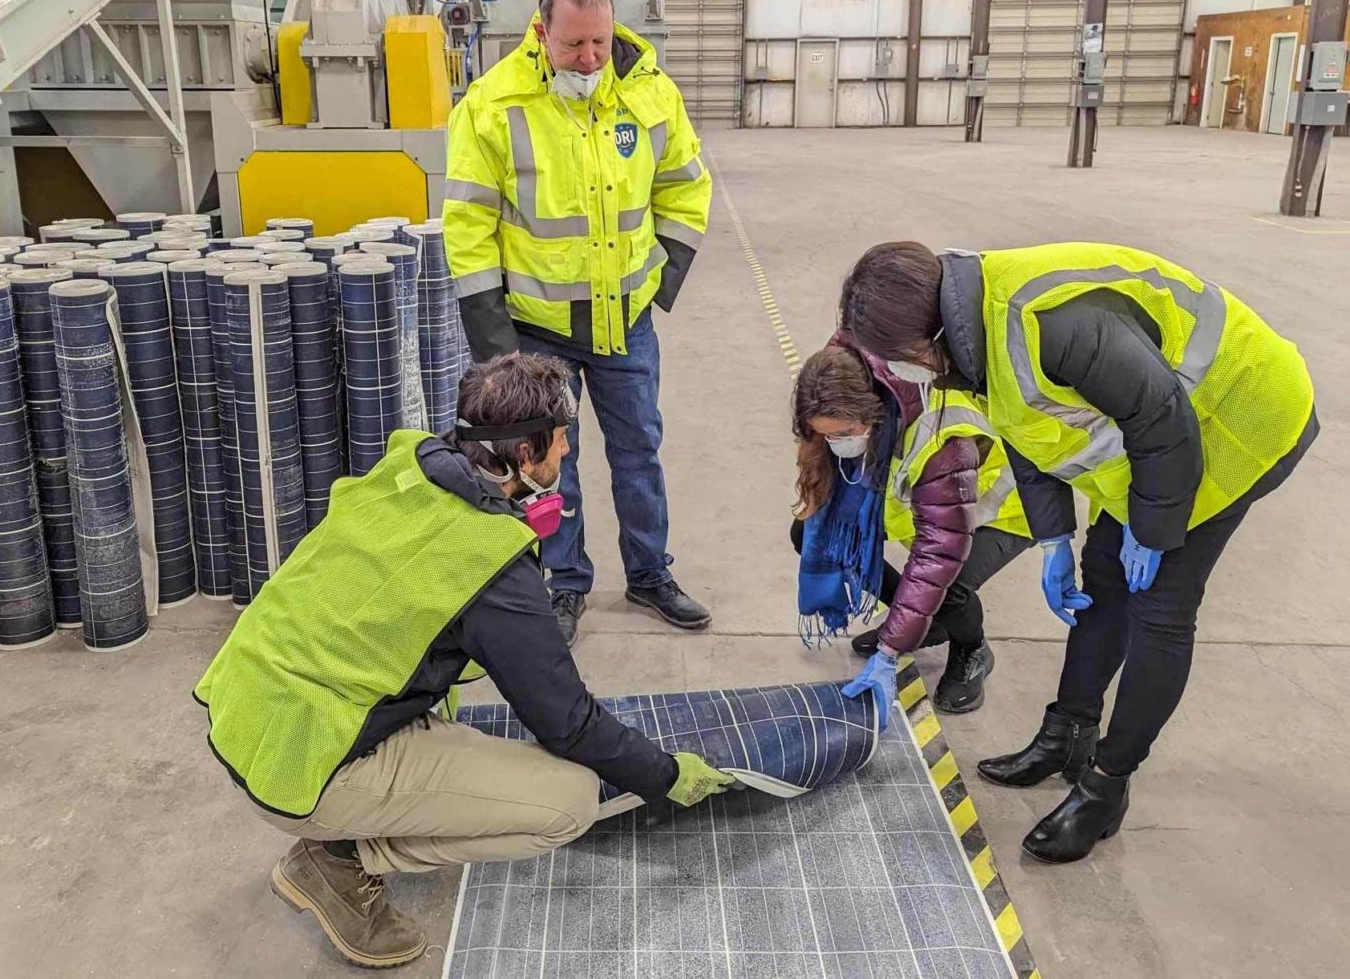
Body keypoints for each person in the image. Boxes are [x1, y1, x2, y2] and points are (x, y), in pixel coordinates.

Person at [192, 354, 733, 968]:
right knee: (570, 801)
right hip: (308, 763)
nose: (564, 455)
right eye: (560, 441)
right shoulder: (491, 562)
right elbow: (567, 720)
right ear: (525, 455)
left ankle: (348, 820)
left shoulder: (413, 462)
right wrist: (663, 776)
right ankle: (336, 858)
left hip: (251, 712)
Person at [840, 240, 1317, 863]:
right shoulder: (973, 333)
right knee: (1102, 579)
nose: (900, 373)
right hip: (1163, 441)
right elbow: (1028, 430)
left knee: (1160, 609)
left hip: (1238, 418)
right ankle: (1068, 734)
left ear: (922, 333)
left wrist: (1154, 528)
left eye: (897, 358)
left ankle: (1106, 786)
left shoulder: (1049, 321)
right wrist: (1055, 538)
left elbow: (1163, 418)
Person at [443, 0, 713, 645]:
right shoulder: (491, 104)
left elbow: (685, 186)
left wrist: (661, 276)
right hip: (539, 326)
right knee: (547, 459)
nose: (590, 57)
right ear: (542, 33)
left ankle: (650, 574)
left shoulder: (651, 93)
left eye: (599, 41)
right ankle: (566, 583)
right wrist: (494, 338)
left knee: (639, 452)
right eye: (573, 46)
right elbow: (469, 224)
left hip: (627, 319)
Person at [791, 344, 1032, 716]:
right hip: (931, 507)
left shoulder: (941, 440)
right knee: (813, 536)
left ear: (871, 413)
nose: (837, 444)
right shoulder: (853, 396)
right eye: (826, 436)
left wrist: (890, 649)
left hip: (1000, 511)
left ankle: (973, 649)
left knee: (949, 585)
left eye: (844, 433)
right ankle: (929, 623)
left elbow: (938, 555)